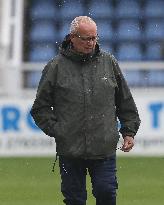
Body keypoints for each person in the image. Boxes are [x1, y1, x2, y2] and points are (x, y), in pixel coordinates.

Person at [31, 16, 141, 205]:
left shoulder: (109, 62)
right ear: (72, 37)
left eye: (94, 38)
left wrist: (129, 131)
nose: (91, 43)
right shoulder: (55, 67)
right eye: (86, 38)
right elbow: (40, 107)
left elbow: (125, 101)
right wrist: (59, 131)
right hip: (70, 150)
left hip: (104, 147)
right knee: (74, 200)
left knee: (106, 193)